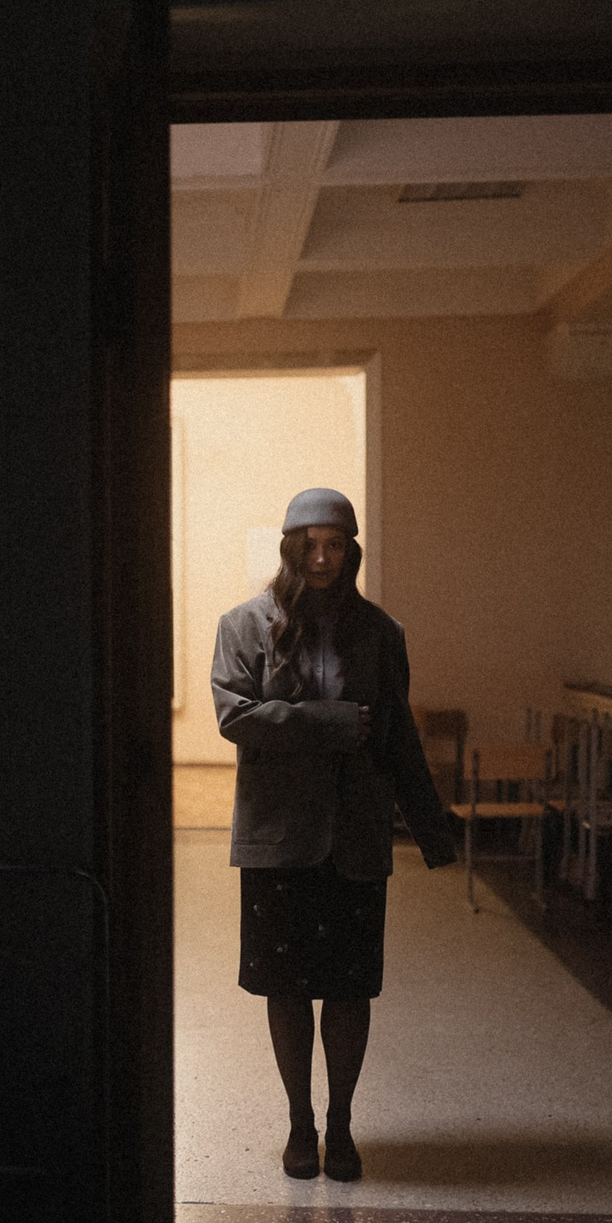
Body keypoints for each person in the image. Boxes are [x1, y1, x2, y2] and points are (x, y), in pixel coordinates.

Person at [210, 487, 456, 1184]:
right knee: (285, 988)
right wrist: (329, 721)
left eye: (335, 545)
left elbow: (398, 733)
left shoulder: (381, 631)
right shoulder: (243, 625)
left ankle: (342, 1123)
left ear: (352, 551)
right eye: (309, 545)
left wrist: (433, 832)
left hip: (355, 834)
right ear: (290, 548)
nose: (321, 558)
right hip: (277, 837)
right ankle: (300, 1124)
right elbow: (235, 716)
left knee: (350, 990)